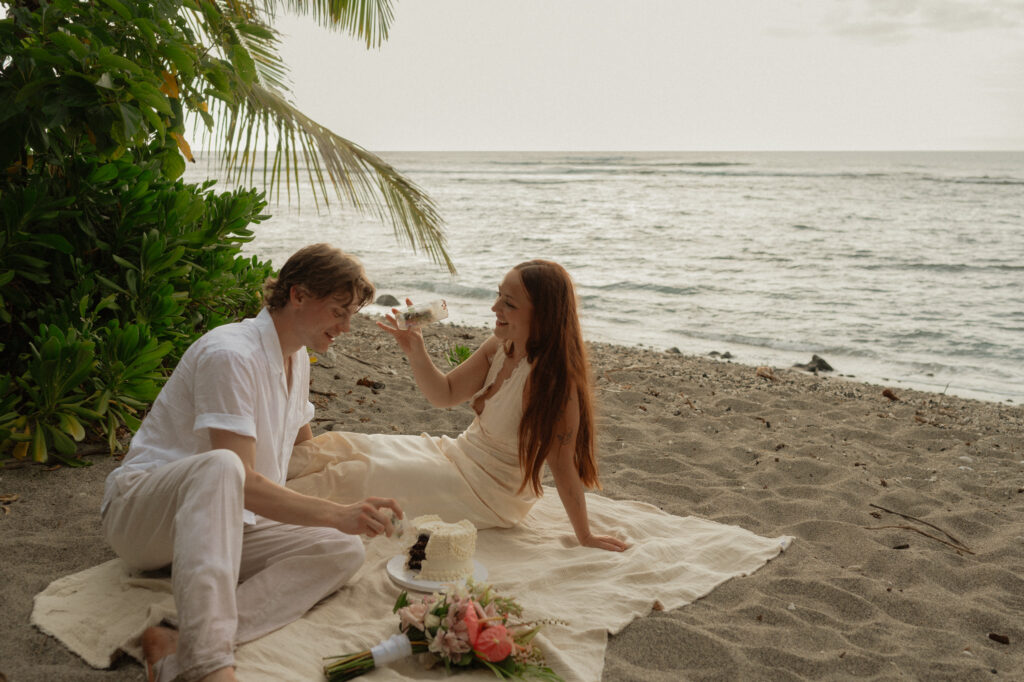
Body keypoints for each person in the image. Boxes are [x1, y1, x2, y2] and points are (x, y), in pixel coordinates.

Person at [101, 244, 403, 682]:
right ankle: (210, 666)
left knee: (340, 546)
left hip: (224, 526)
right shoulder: (231, 354)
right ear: (297, 295)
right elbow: (240, 479)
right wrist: (336, 513)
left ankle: (180, 639)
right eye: (339, 311)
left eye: (350, 314)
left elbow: (301, 441)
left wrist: (355, 493)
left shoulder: (297, 357)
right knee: (222, 465)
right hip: (143, 518)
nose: (346, 327)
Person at [287, 260, 628, 552]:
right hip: (456, 454)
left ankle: (258, 502)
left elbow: (563, 466)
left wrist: (585, 536)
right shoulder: (500, 344)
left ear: (542, 316)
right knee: (346, 446)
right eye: (498, 295)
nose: (495, 308)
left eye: (508, 303)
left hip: (489, 491)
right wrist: (415, 349)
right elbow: (444, 394)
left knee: (358, 474)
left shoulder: (553, 380)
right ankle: (258, 478)